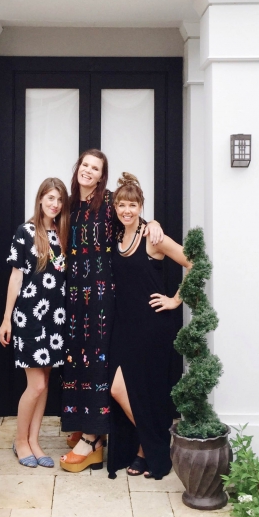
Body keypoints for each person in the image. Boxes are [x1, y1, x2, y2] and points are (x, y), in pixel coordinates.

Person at [60, 151, 164, 473]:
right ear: (77, 167)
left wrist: (154, 223)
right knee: (76, 362)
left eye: (96, 168)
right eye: (85, 165)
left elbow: (132, 218)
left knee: (98, 367)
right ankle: (83, 424)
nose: (88, 171)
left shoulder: (107, 202)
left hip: (103, 299)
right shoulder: (68, 203)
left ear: (102, 175)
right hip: (74, 295)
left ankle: (93, 437)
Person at [107, 172, 192, 480]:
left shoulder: (152, 236)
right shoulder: (118, 236)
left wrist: (175, 300)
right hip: (124, 326)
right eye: (121, 205)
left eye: (132, 205)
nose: (126, 210)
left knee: (147, 391)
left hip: (153, 325)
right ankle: (150, 443)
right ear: (115, 207)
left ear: (141, 206)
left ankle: (148, 450)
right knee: (120, 389)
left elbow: (193, 262)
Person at [0, 177, 69, 468]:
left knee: (46, 383)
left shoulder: (62, 234)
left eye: (59, 199)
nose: (54, 204)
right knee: (36, 385)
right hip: (29, 317)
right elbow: (16, 276)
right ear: (40, 199)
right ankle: (19, 441)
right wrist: (6, 318)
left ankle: (35, 441)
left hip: (55, 319)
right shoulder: (25, 232)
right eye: (49, 198)